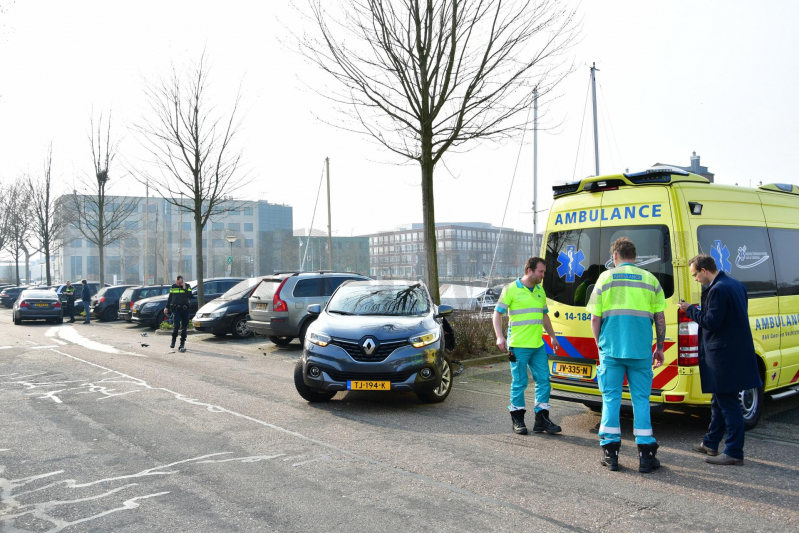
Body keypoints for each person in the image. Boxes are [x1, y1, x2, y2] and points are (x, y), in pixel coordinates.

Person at [587, 237, 666, 473]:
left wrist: (599, 345)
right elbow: (659, 319)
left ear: (615, 256)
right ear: (635, 256)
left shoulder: (605, 278)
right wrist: (659, 347)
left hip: (611, 349)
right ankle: (646, 456)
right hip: (641, 351)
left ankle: (611, 455)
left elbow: (594, 318)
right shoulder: (650, 279)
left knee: (611, 399)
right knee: (641, 400)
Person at [678, 254, 762, 466]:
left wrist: (690, 310)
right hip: (736, 353)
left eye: (695, 274)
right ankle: (711, 443)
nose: (695, 278)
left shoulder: (718, 290)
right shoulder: (735, 284)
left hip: (723, 356)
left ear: (705, 270)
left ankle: (734, 452)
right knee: (718, 401)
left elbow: (711, 322)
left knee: (728, 404)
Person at [493, 257, 562, 435]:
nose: (543, 275)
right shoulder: (511, 289)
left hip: (538, 345)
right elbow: (497, 314)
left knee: (544, 380)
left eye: (544, 272)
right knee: (520, 382)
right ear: (529, 270)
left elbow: (544, 315)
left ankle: (541, 419)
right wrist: (500, 337)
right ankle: (517, 419)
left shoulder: (540, 290)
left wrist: (553, 337)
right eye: (541, 271)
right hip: (518, 346)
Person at [165, 275, 192, 352]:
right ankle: (173, 341)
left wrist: (184, 288)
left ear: (182, 281)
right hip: (176, 309)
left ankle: (182, 344)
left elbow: (190, 295)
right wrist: (166, 307)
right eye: (177, 282)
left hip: (185, 309)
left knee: (184, 327)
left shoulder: (187, 286)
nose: (178, 284)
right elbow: (170, 297)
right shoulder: (173, 286)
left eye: (179, 282)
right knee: (176, 326)